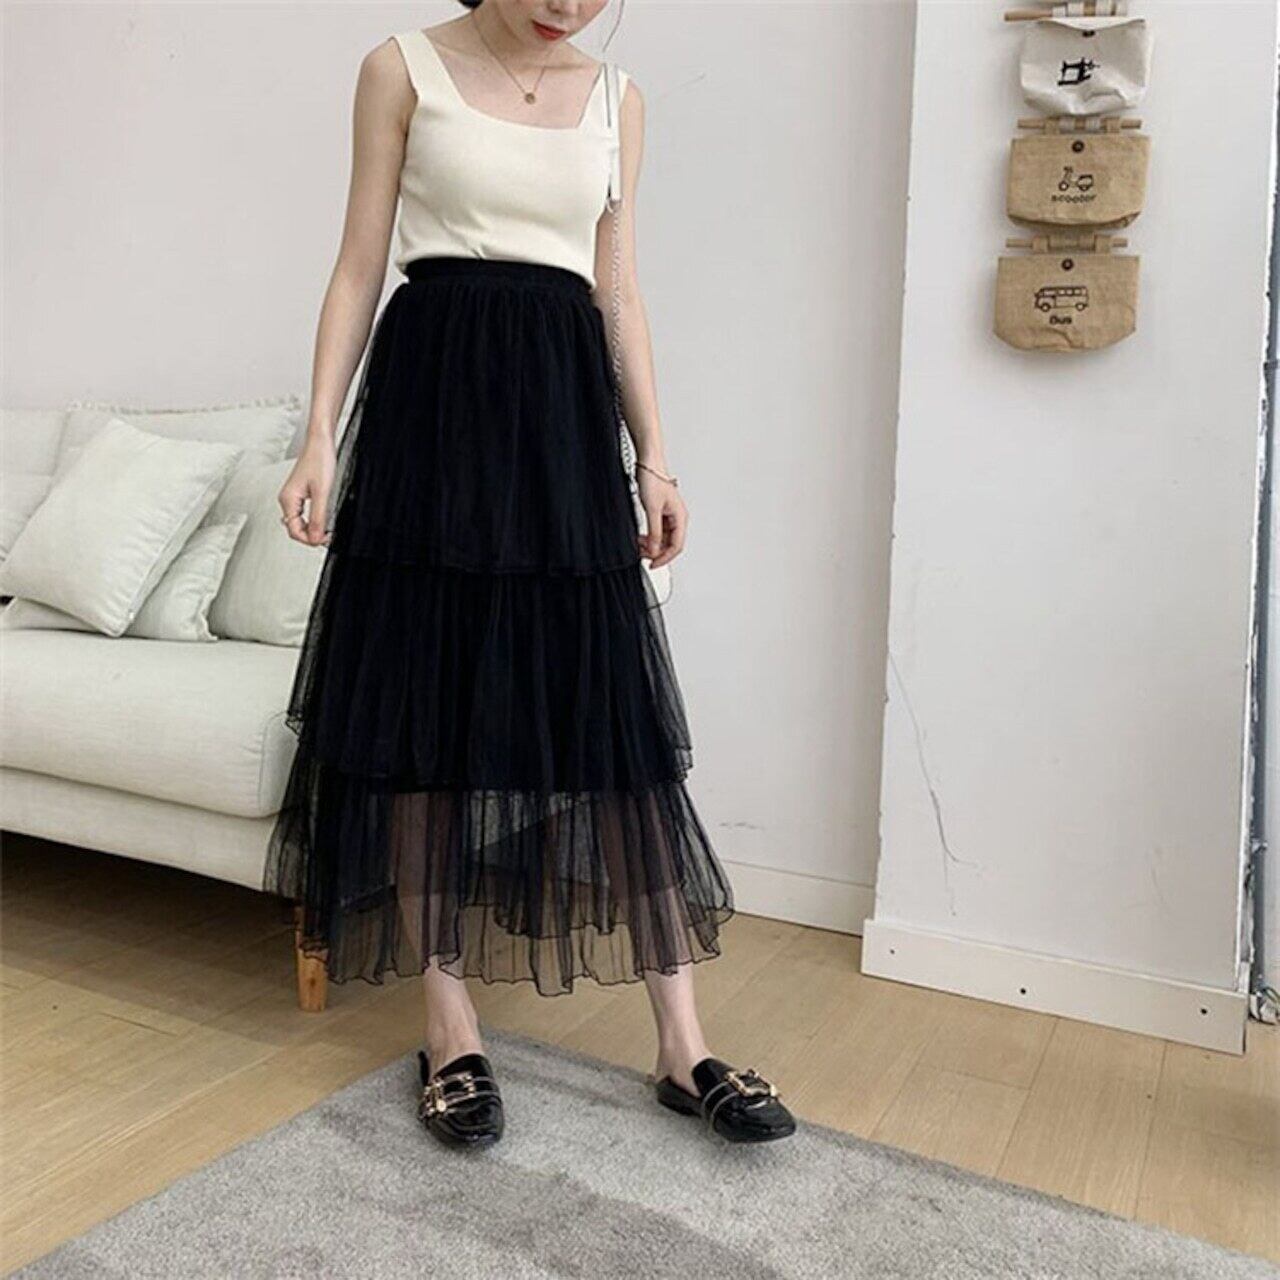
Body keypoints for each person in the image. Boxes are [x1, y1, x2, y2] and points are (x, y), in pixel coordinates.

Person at [267, 0, 796, 1149]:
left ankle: (682, 1044)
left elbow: (619, 292)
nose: (569, 5)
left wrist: (654, 457)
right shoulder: (400, 68)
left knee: (614, 720)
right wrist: (317, 436)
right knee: (426, 716)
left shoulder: (616, 98)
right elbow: (358, 264)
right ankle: (449, 1028)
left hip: (559, 419)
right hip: (430, 405)